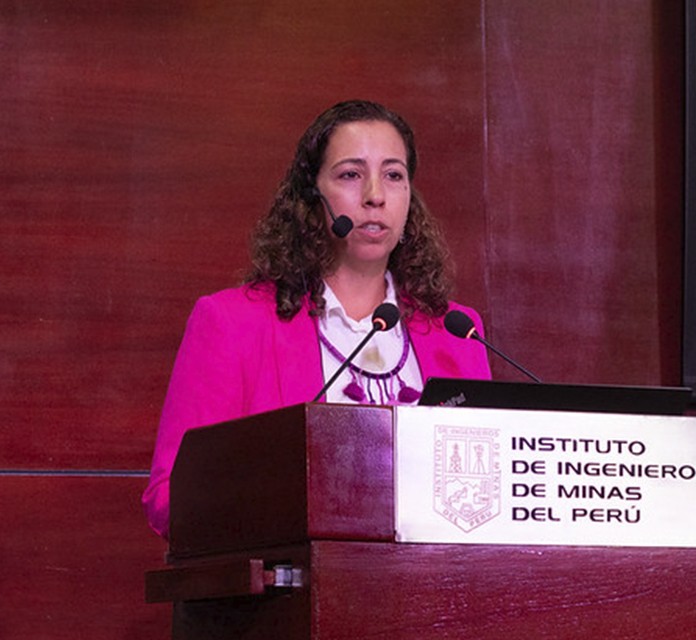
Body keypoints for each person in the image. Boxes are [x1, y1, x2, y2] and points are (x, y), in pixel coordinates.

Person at [142, 100, 491, 539]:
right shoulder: (233, 324)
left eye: (393, 175)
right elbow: (171, 498)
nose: (375, 196)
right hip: (294, 575)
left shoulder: (458, 332)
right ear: (311, 196)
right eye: (350, 175)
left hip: (433, 578)